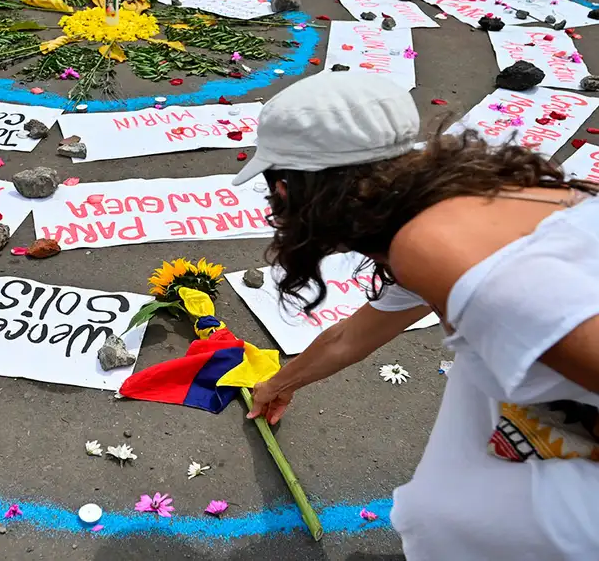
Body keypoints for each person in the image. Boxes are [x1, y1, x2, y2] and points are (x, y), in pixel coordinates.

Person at [232, 72, 599, 560]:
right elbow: (353, 336)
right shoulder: (447, 208)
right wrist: (282, 382)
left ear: (290, 190)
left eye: (274, 192)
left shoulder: (429, 247)